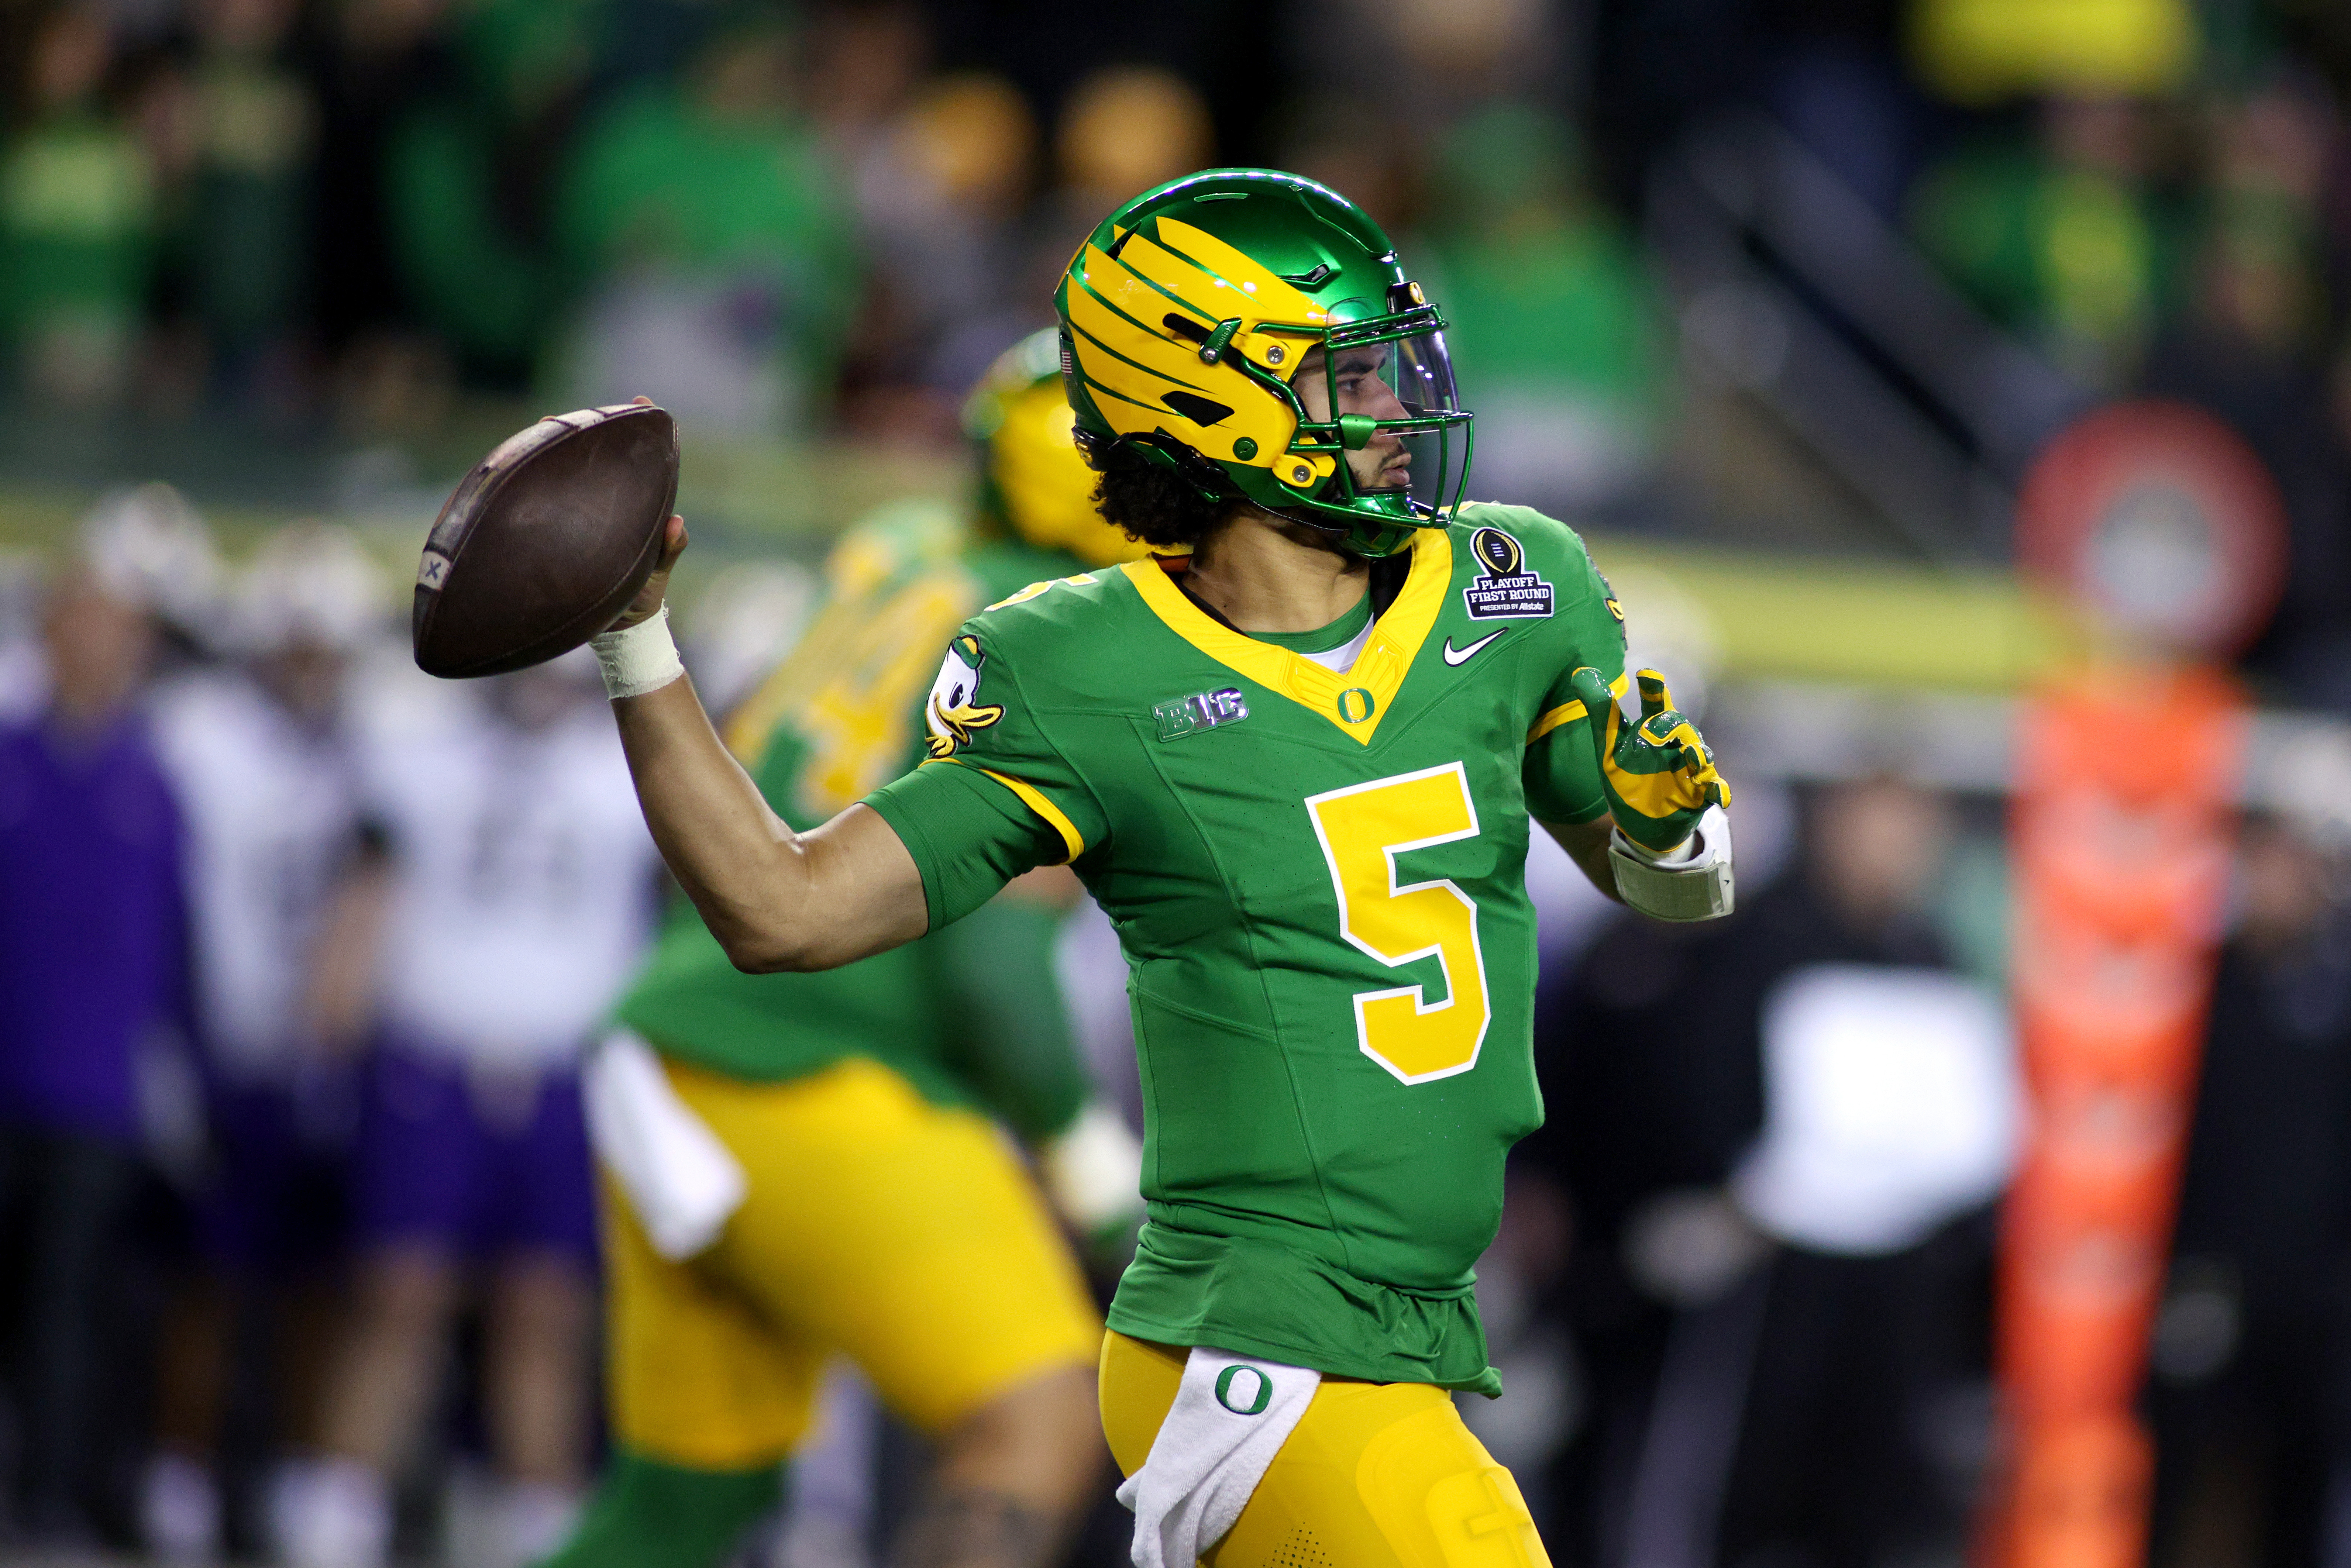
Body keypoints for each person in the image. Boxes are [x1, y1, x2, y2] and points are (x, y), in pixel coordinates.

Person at [579, 168, 1734, 1568]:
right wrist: (638, 644)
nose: (1393, 409)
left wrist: (1674, 828)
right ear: (1210, 402)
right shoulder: (1084, 665)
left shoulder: (1513, 581)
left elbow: (1683, 889)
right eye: (1348, 378)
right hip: (1260, 1342)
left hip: (1415, 1330)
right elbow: (784, 908)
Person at [540, 330, 1144, 1568]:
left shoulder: (904, 551)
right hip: (823, 1070)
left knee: (687, 1500)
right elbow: (994, 965)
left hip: (677, 1036)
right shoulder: (1064, 634)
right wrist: (1089, 1165)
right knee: (1036, 1416)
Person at [276, 652, 659, 1568]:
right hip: (430, 1068)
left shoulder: (627, 766)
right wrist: (325, 1033)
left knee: (547, 1310)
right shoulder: (417, 751)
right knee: (398, 1293)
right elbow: (361, 905)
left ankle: (536, 1525)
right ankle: (340, 1514)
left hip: (566, 1074)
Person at [142, 525, 386, 1563]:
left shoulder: (382, 737)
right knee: (205, 1277)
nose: (309, 671)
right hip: (224, 1039)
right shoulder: (198, 735)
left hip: (336, 1055)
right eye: (294, 649)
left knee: (321, 1288)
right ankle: (179, 1473)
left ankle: (295, 1481)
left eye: (325, 652)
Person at [0, 552, 184, 1541]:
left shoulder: (151, 778)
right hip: (7, 1070)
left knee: (74, 1303)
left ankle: (51, 1495)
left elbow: (175, 943)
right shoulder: (11, 760)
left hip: (94, 1085)